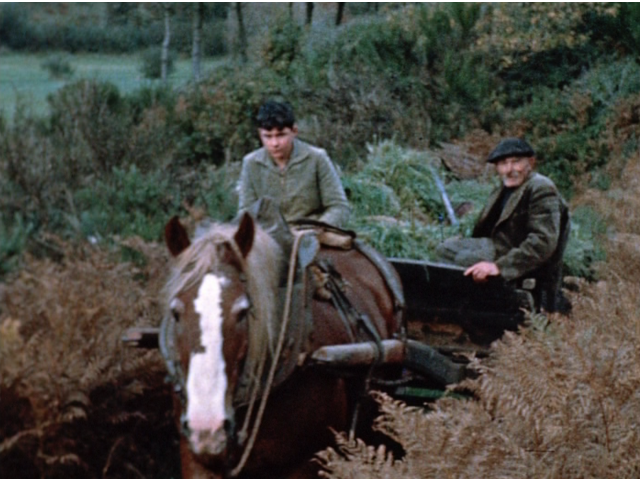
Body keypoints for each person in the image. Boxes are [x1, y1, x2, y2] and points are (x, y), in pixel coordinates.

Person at [436, 137, 570, 312]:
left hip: (520, 259)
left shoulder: (541, 188)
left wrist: (497, 267)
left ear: (531, 162)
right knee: (444, 249)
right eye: (503, 163)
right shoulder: (504, 188)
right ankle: (467, 306)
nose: (510, 169)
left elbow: (543, 243)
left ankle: (474, 310)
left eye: (516, 162)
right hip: (498, 246)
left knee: (463, 260)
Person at [238, 100, 350, 227]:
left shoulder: (316, 158)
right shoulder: (251, 163)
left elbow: (338, 206)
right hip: (270, 236)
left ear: (294, 131)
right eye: (268, 136)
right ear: (260, 134)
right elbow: (246, 212)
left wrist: (319, 228)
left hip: (312, 231)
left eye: (281, 135)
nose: (274, 143)